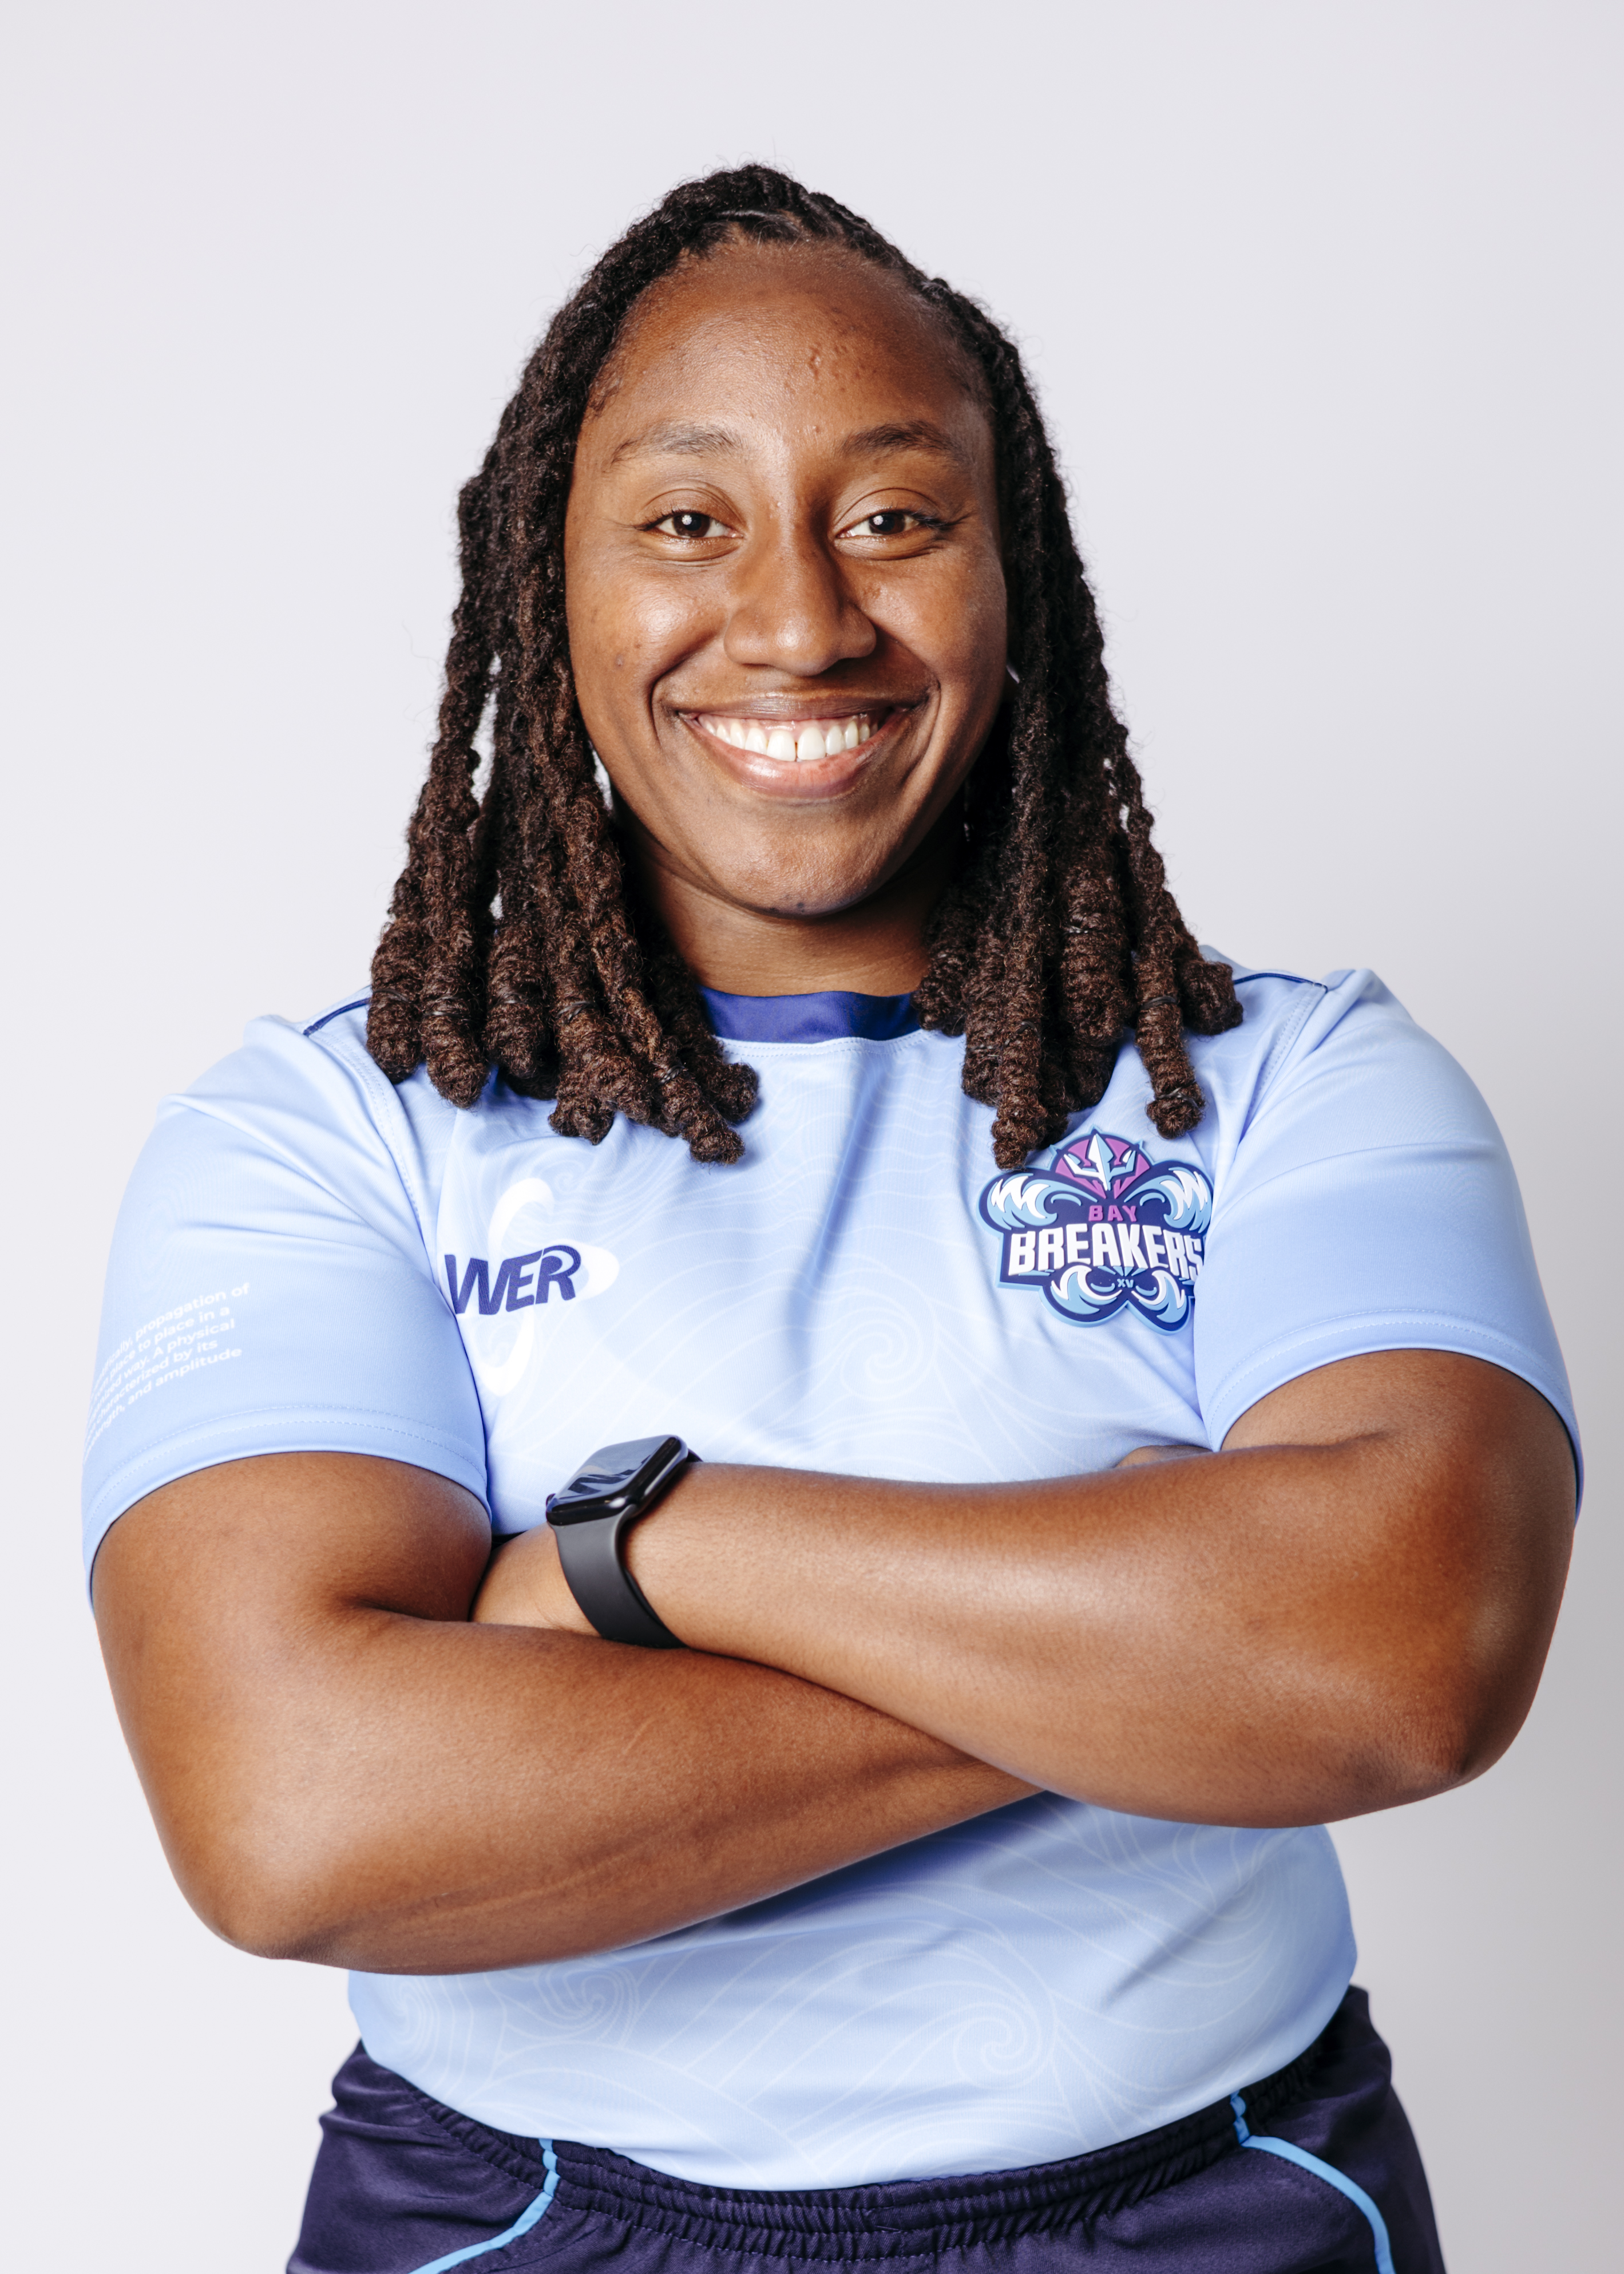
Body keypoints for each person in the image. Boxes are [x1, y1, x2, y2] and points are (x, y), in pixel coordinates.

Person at [85, 168, 1577, 2274]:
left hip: (1216, 2203)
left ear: (1013, 571)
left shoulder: (1286, 1082)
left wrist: (647, 1550)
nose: (800, 622)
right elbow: (293, 1814)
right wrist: (1155, 1643)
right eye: (690, 521)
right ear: (549, 585)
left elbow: (1398, 1655)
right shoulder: (329, 1131)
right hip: (517, 2221)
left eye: (892, 516)